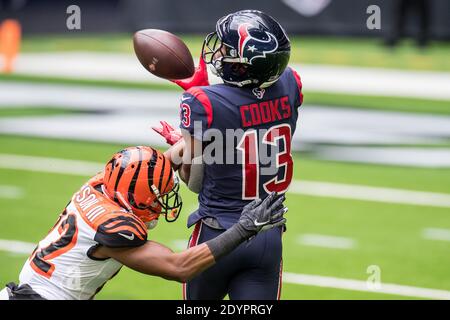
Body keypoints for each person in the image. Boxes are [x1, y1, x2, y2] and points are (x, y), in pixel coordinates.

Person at [0, 146, 286, 300]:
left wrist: (195, 131)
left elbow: (153, 167)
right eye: (159, 195)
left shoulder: (104, 184)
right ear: (139, 199)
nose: (162, 201)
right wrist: (244, 228)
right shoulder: (114, 228)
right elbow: (180, 267)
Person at [155, 10, 302, 300]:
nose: (220, 52)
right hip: (268, 236)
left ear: (245, 64)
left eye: (227, 48)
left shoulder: (203, 102)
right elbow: (253, 117)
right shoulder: (290, 83)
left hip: (217, 233)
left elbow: (193, 181)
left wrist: (185, 141)